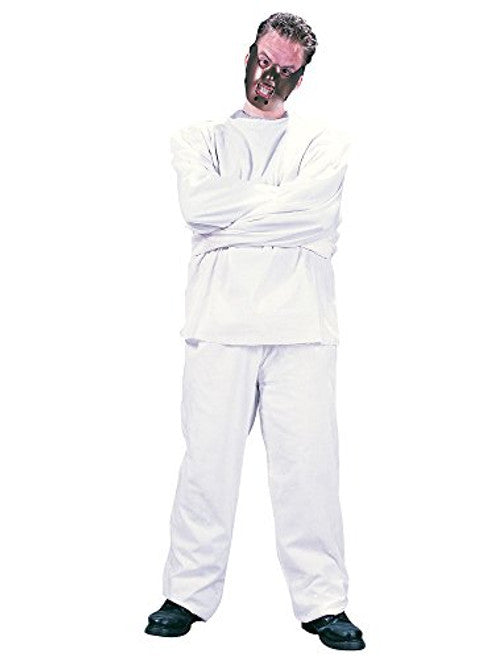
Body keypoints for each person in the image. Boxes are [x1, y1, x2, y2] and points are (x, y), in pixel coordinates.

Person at [144, 12, 366, 651]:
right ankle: (187, 593)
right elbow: (198, 205)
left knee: (309, 468)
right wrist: (280, 213)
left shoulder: (324, 142)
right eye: (263, 60)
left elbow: (317, 214)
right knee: (206, 464)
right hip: (219, 321)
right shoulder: (199, 139)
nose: (268, 76)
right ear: (249, 54)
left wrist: (230, 227)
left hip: (302, 325)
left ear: (301, 76)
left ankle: (323, 602)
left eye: (283, 69)